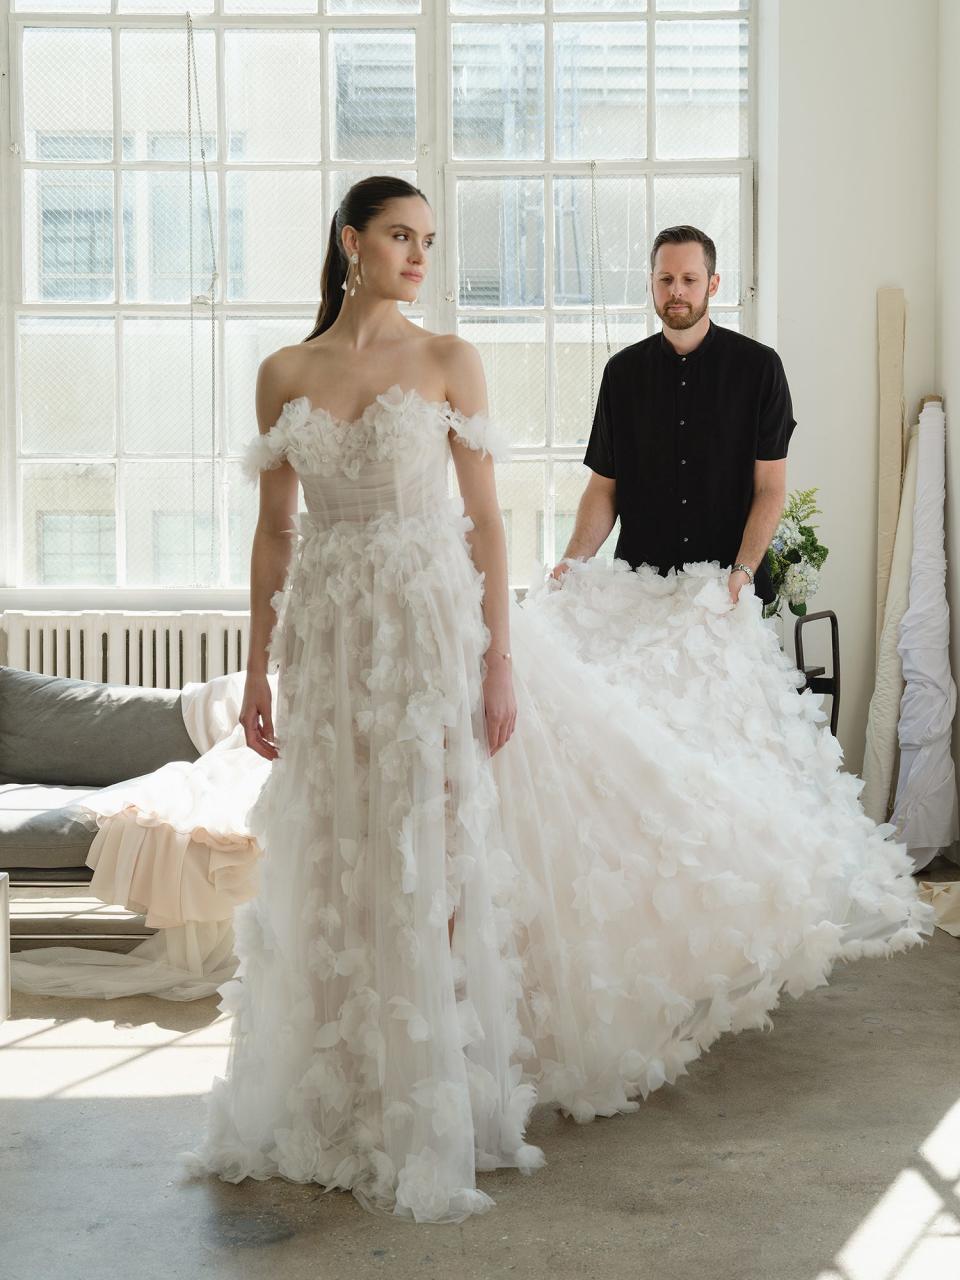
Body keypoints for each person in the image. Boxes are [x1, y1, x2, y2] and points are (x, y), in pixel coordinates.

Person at [180, 177, 932, 1222]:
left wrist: (498, 658)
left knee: (432, 841)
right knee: (342, 840)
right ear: (350, 240)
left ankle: (434, 1088)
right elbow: (273, 532)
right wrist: (257, 665)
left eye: (428, 240)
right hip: (330, 636)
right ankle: (340, 1077)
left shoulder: (449, 360)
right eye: (401, 236)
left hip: (434, 626)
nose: (419, 255)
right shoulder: (281, 373)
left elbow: (486, 523)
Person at [554, 225, 792, 609]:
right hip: (637, 591)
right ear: (651, 283)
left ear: (713, 285)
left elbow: (769, 488)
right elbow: (603, 487)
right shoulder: (622, 373)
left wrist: (743, 571)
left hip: (726, 592)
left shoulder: (760, 368)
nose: (676, 290)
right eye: (665, 279)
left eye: (689, 279)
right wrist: (570, 564)